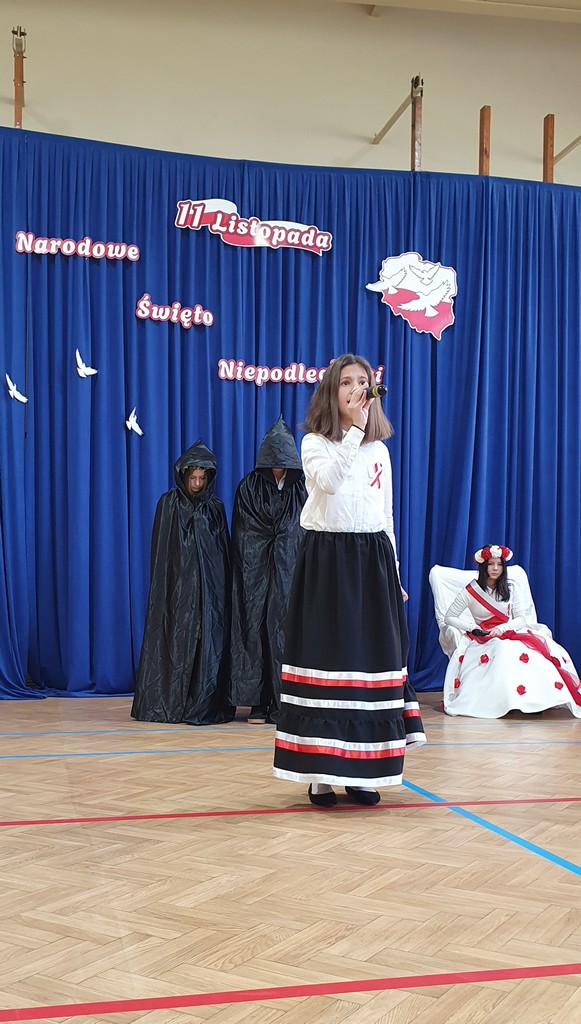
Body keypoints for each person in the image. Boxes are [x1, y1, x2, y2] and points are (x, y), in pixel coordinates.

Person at [273, 354, 426, 807]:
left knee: (367, 666)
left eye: (363, 381)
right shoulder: (314, 443)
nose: (357, 388)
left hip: (371, 558)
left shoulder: (380, 451)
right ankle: (320, 775)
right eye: (347, 382)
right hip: (327, 560)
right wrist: (355, 431)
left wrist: (393, 571)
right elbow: (329, 482)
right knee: (327, 661)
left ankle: (362, 772)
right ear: (331, 391)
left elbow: (386, 515)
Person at [131, 440, 233, 725]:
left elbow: (221, 554)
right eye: (193, 478)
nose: (197, 484)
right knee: (176, 641)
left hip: (208, 591)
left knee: (205, 643)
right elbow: (162, 553)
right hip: (177, 589)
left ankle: (201, 702)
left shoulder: (214, 508)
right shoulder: (169, 504)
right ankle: (170, 702)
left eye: (202, 478)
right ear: (184, 476)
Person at [443, 544, 581, 718]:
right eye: (491, 564)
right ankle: (505, 702)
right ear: (483, 566)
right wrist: (473, 628)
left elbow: (521, 618)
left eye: (499, 564)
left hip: (509, 633)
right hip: (483, 638)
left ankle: (536, 700)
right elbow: (449, 617)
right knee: (502, 651)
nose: (495, 568)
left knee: (536, 653)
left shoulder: (511, 587)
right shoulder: (470, 591)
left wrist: (502, 628)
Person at [230, 416, 307, 724]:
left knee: (286, 631)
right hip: (255, 569)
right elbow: (244, 531)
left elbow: (303, 528)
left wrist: (285, 546)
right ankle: (258, 702)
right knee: (255, 629)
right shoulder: (249, 486)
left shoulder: (301, 486)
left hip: (290, 569)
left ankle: (286, 700)